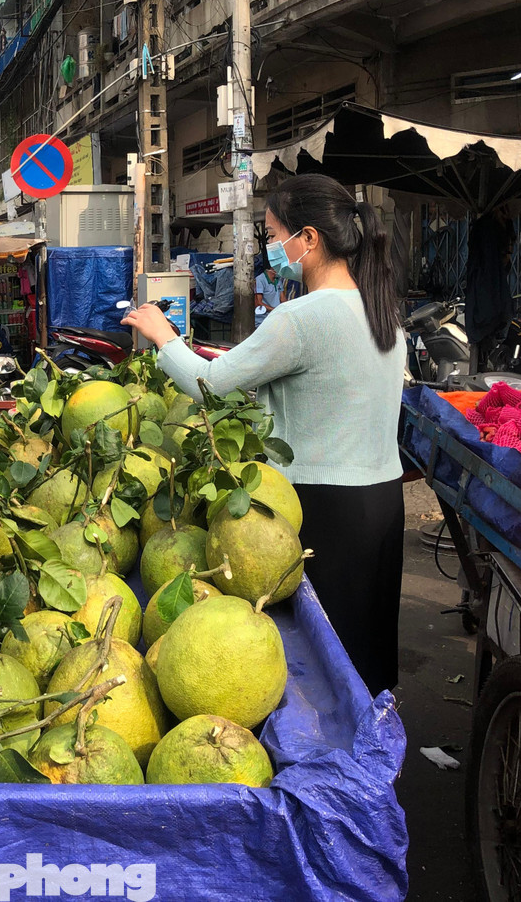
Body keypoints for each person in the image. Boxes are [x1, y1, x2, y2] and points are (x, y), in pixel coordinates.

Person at [122, 174, 405, 695]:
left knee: (324, 663)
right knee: (368, 653)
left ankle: (334, 771)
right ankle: (378, 765)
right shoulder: (382, 309)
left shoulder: (301, 318)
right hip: (384, 503)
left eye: (274, 236)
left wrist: (162, 335)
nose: (272, 249)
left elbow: (210, 385)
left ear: (310, 239)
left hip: (324, 508)